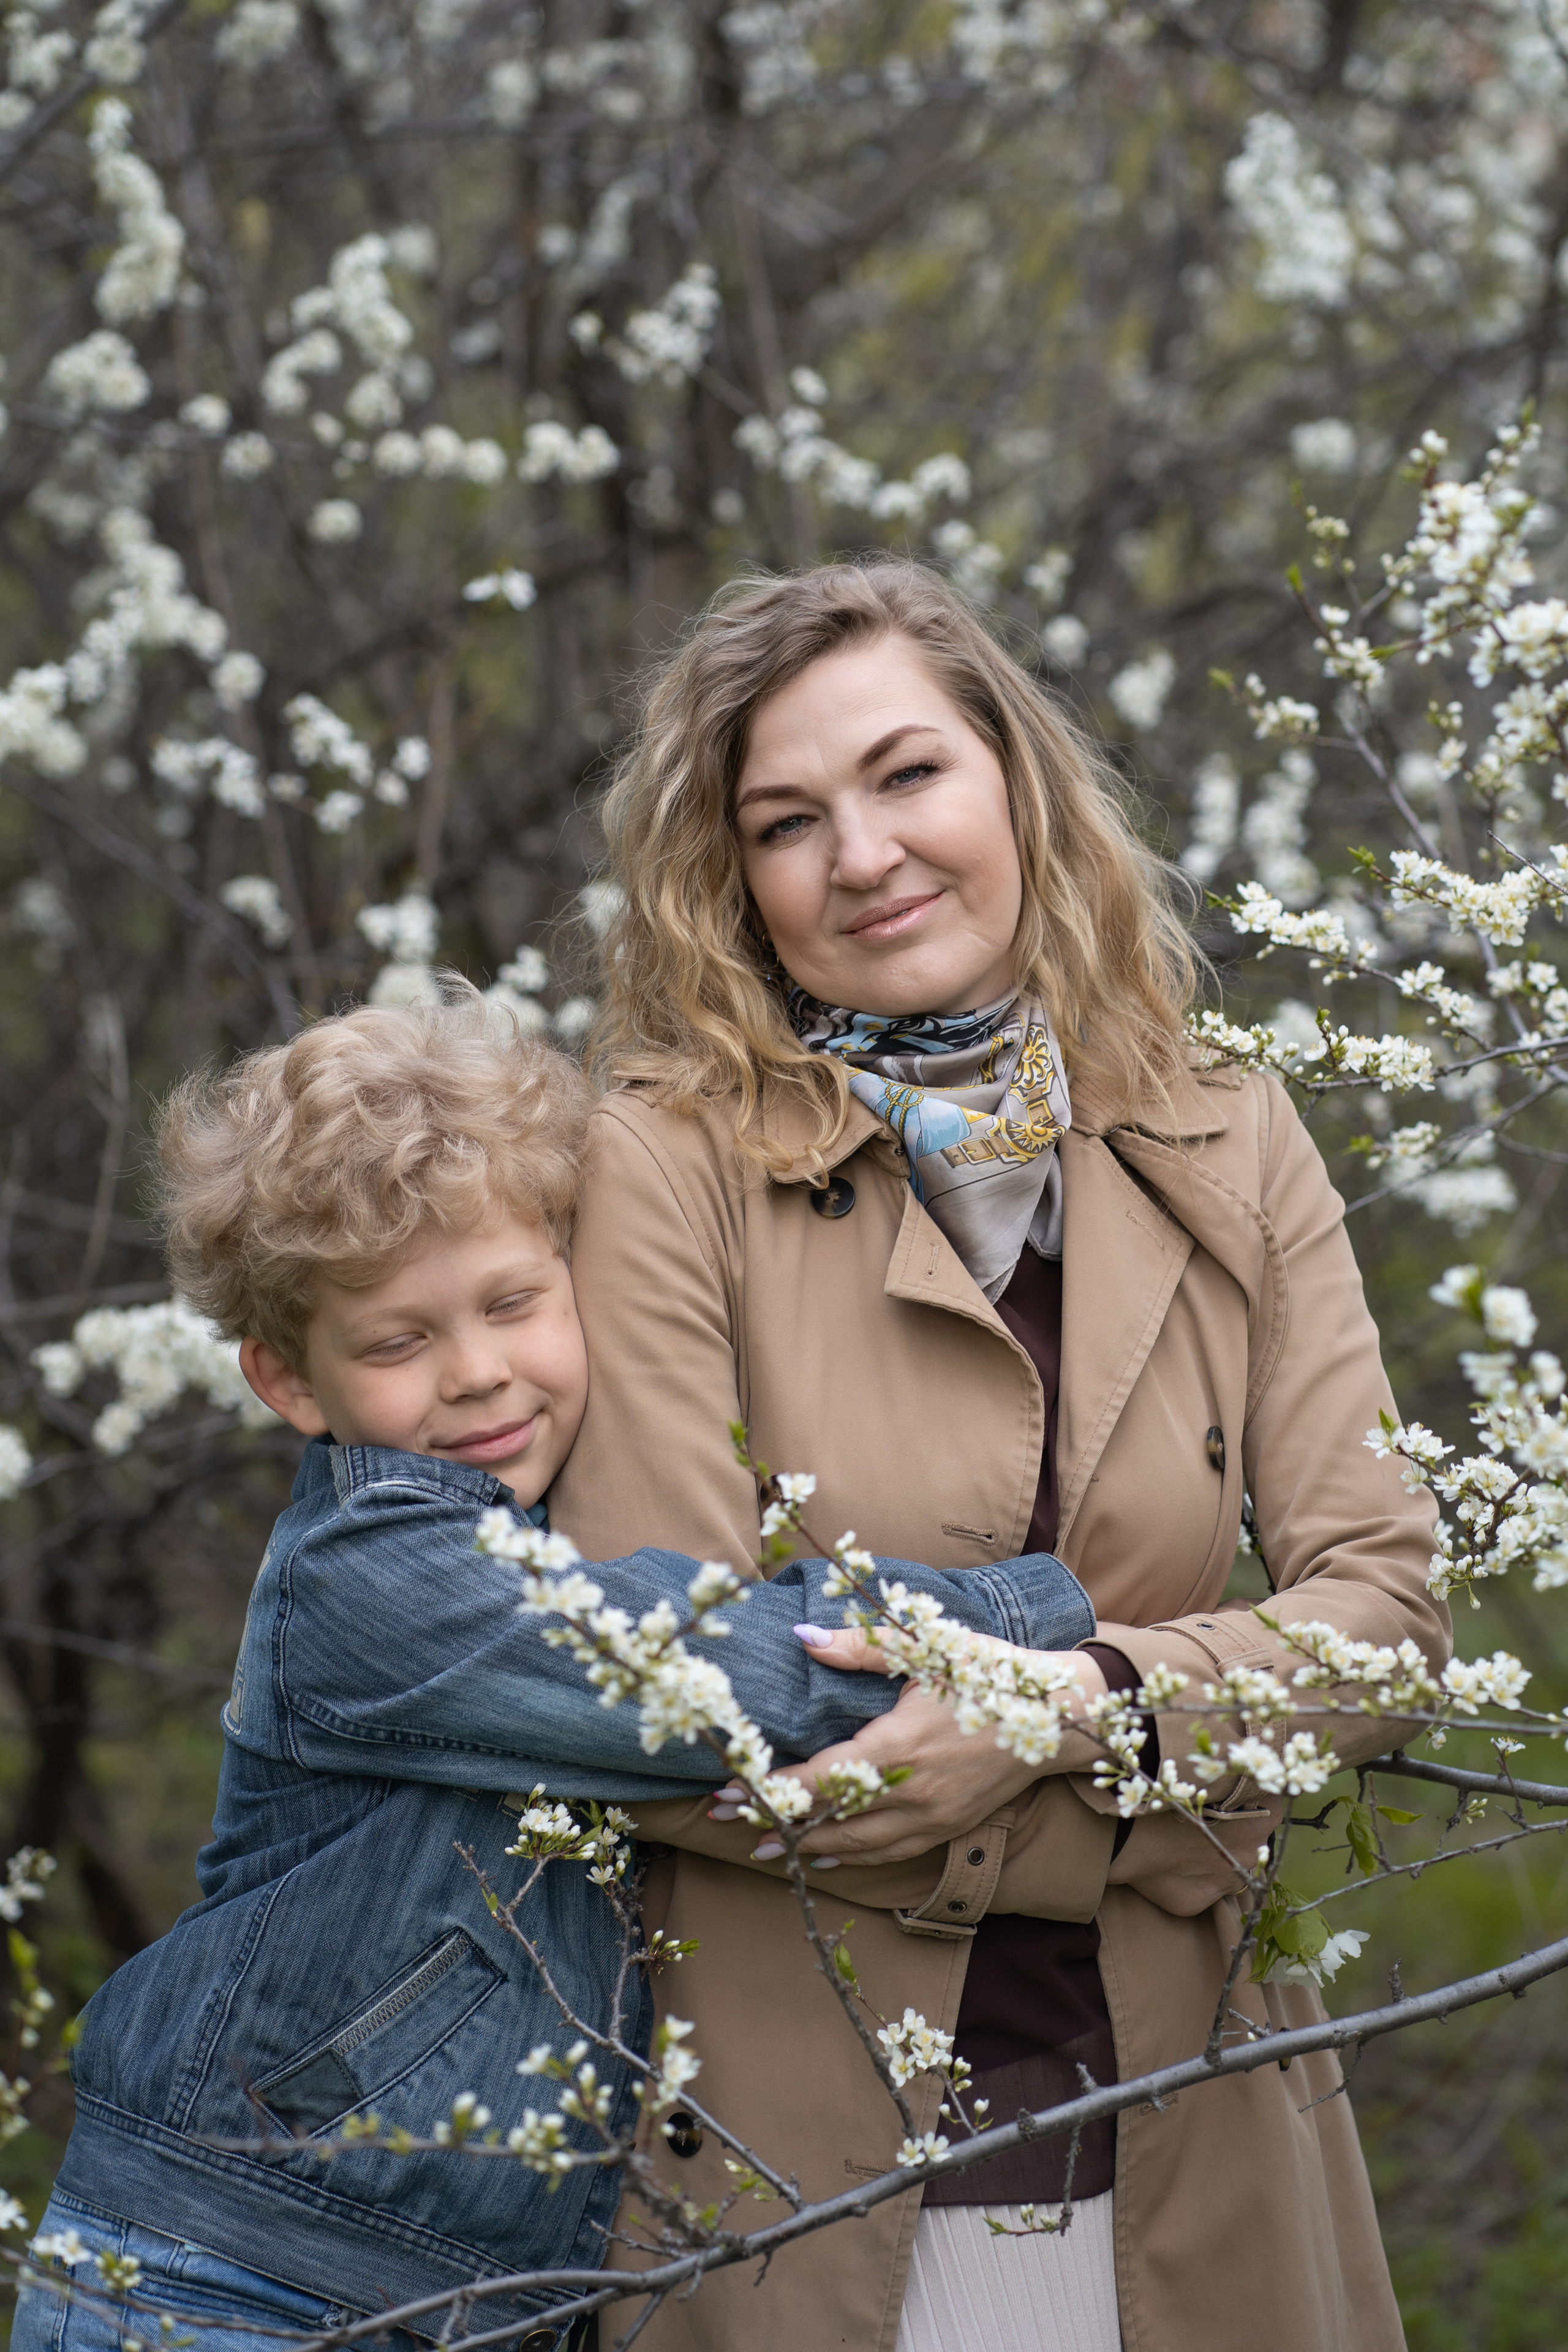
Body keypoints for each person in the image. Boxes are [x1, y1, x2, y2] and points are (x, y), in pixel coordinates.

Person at [549, 559, 1450, 2352]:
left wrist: (1072, 1705)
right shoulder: (659, 1166)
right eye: (786, 823)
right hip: (803, 2182)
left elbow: (1391, 1618)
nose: (863, 855)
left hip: (1203, 2144)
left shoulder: (1226, 1121)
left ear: (1014, 784)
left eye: (906, 776)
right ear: (736, 886)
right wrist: (1180, 1758)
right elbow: (661, 1711)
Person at [15, 993, 1096, 2352]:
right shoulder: (372, 1580)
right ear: (289, 1383)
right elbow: (726, 1683)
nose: (477, 1374)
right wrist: (1034, 1602)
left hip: (461, 2302)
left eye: (515, 1303)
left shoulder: (540, 1523)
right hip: (227, 2284)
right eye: (397, 1342)